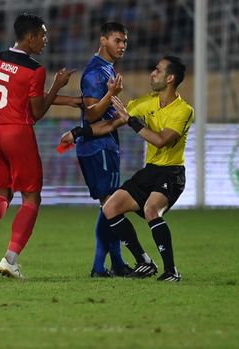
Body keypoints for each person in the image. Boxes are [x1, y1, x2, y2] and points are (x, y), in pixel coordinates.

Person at [62, 55, 194, 282]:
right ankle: (144, 260)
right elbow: (112, 123)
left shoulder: (183, 110)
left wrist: (131, 121)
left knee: (152, 209)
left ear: (170, 78)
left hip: (171, 173)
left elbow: (161, 140)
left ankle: (171, 271)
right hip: (150, 170)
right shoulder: (145, 102)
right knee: (110, 208)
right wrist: (77, 133)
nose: (152, 73)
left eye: (157, 70)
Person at [0, 13, 79, 280]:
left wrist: (71, 100)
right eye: (42, 34)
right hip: (17, 134)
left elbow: (21, 96)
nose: (45, 40)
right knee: (31, 197)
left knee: (2, 194)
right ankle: (10, 260)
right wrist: (56, 85)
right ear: (29, 37)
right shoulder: (36, 70)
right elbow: (37, 110)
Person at [75, 21, 131, 277]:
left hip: (103, 145)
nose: (122, 46)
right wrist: (110, 96)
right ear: (103, 40)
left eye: (125, 42)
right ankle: (100, 266)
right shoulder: (95, 73)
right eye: (117, 40)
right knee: (110, 206)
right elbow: (91, 114)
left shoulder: (106, 70)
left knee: (110, 206)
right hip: (98, 147)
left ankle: (117, 264)